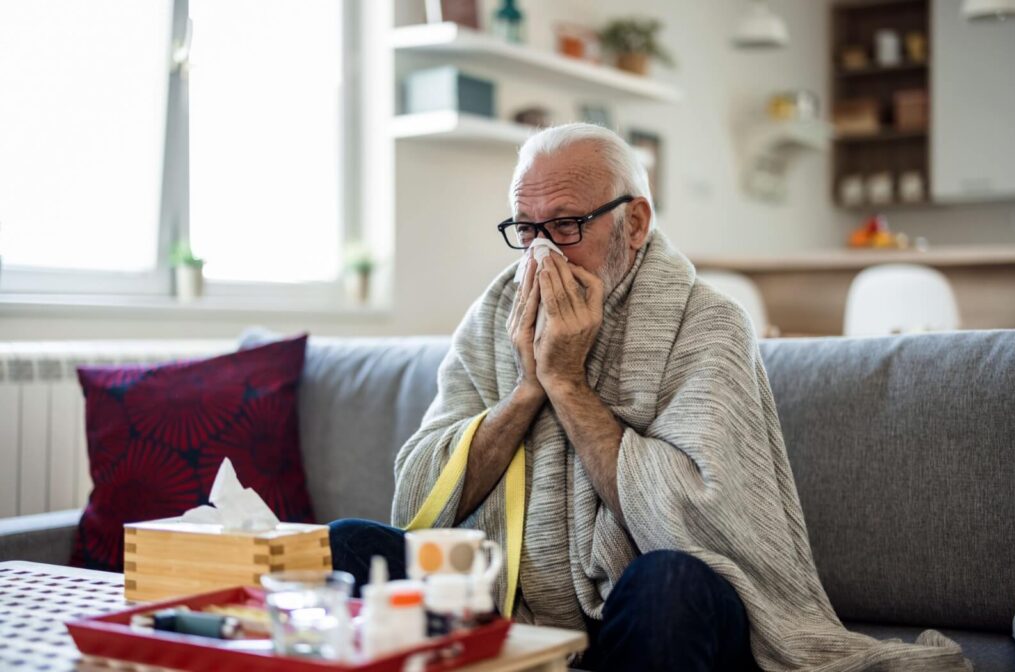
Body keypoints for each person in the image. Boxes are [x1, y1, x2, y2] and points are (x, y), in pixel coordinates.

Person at [330, 124, 970, 672]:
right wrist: (528, 387)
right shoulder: (495, 315)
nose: (543, 251)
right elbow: (420, 496)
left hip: (651, 611)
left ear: (634, 222)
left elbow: (704, 518)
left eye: (567, 224)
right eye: (526, 228)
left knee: (669, 583)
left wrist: (568, 384)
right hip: (502, 598)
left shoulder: (707, 325)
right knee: (346, 545)